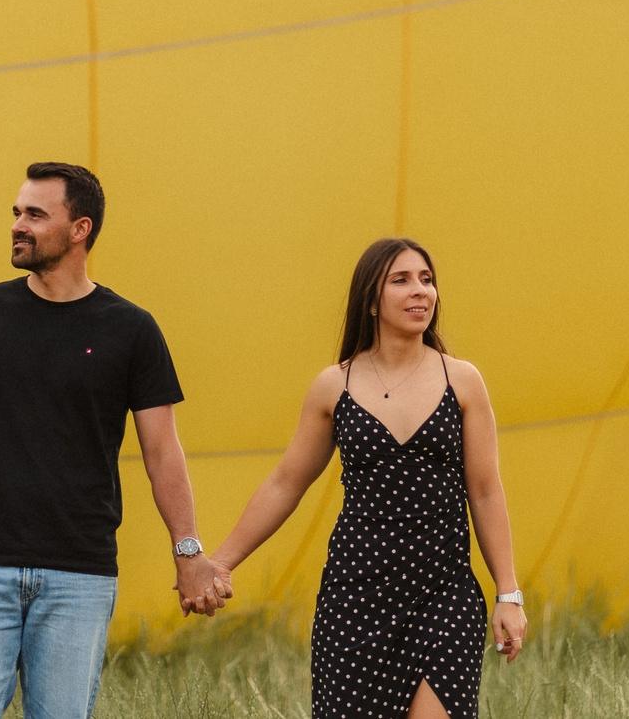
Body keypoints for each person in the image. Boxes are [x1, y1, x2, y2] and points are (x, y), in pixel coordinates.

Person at [0, 161, 233, 719]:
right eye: (16, 212)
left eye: (35, 214)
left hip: (80, 575)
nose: (18, 224)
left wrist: (189, 552)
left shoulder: (131, 328)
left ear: (79, 229)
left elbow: (162, 451)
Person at [204, 237, 525, 719]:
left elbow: (484, 491)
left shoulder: (462, 380)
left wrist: (509, 593)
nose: (421, 291)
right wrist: (222, 563)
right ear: (371, 301)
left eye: (427, 279)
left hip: (444, 594)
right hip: (356, 597)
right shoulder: (335, 385)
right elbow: (286, 482)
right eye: (401, 280)